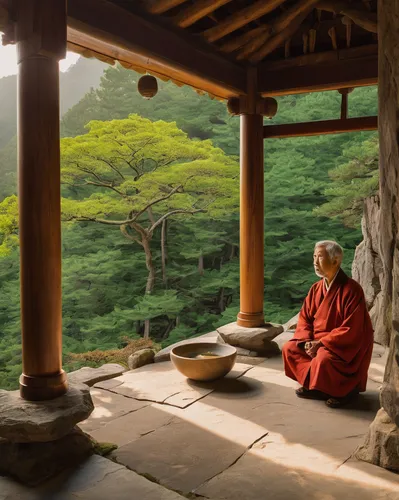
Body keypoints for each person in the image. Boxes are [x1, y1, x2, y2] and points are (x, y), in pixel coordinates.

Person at [282, 240, 374, 408]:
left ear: (335, 260)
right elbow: (305, 319)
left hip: (340, 346)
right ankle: (316, 386)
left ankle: (344, 391)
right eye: (314, 257)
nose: (315, 262)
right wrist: (306, 340)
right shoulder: (316, 288)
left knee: (323, 359)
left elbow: (351, 329)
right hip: (315, 341)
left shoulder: (352, 290)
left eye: (320, 257)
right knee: (290, 349)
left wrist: (322, 343)